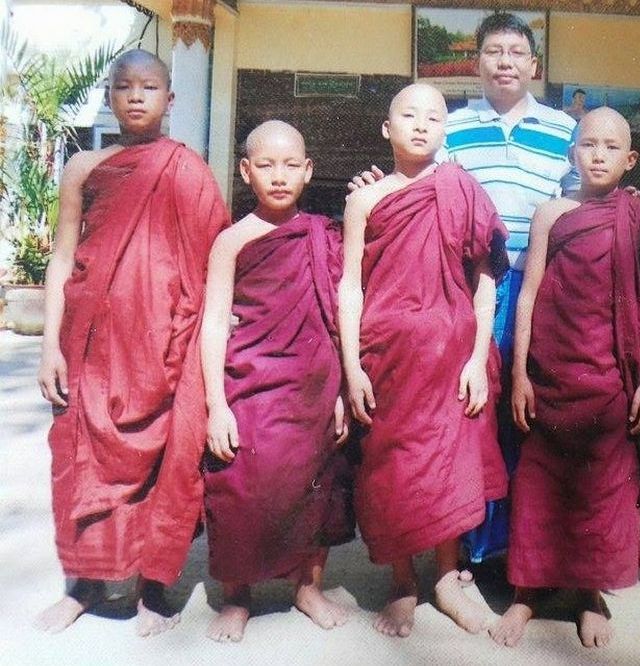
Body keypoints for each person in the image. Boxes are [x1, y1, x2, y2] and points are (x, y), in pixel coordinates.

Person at [351, 12, 640, 566]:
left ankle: (519, 546)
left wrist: (636, 199)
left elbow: (588, 197)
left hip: (545, 287)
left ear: (534, 66)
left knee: (527, 408)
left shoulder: (566, 130)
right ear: (477, 63)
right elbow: (422, 184)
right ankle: (473, 542)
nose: (505, 62)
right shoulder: (451, 127)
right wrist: (374, 184)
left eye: (517, 54)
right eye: (494, 52)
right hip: (470, 286)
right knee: (471, 410)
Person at [34, 49, 229, 635]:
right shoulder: (84, 167)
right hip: (92, 344)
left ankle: (152, 590)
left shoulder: (188, 169)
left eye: (149, 87)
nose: (136, 96)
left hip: (166, 344)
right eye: (124, 87)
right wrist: (49, 345)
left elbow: (212, 259)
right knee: (80, 464)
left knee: (167, 465)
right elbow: (62, 257)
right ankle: (85, 585)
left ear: (171, 100)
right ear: (110, 96)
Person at [490, 108, 640, 649]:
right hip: (551, 372)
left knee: (604, 491)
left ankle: (588, 593)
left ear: (630, 160)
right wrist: (519, 375)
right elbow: (529, 291)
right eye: (588, 144)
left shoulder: (639, 217)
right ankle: (526, 594)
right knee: (536, 484)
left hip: (614, 375)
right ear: (572, 153)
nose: (598, 155)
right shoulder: (552, 214)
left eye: (611, 147)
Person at [339, 83, 509, 639]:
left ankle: (444, 577)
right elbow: (350, 287)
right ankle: (403, 582)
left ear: (445, 130)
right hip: (386, 356)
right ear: (386, 129)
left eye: (433, 117)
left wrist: (476, 357)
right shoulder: (365, 199)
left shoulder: (462, 190)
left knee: (448, 469)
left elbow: (486, 284)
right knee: (391, 469)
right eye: (407, 115)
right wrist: (351, 366)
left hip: (451, 357)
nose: (420, 125)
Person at [199, 120, 354, 643]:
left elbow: (335, 317)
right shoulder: (232, 240)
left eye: (291, 165)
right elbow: (215, 322)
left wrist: (338, 393)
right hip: (251, 383)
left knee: (317, 486)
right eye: (266, 165)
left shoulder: (320, 234)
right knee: (239, 485)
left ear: (309, 171)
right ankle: (237, 596)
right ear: (245, 171)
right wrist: (216, 405)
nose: (279, 176)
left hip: (311, 387)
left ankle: (307, 586)